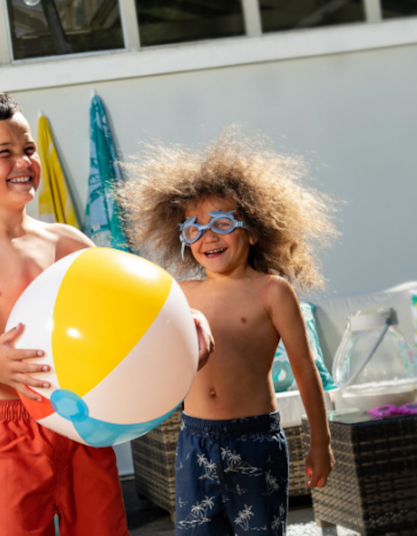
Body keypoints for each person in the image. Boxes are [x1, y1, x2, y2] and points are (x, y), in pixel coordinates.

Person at [0, 93, 212, 535]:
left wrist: (182, 329)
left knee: (104, 528)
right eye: (4, 153)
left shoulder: (68, 243)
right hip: (10, 428)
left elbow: (126, 314)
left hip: (85, 421)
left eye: (27, 149)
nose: (24, 161)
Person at [117, 131, 337, 535]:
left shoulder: (271, 291)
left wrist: (320, 443)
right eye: (193, 229)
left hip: (254, 440)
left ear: (253, 230)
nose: (208, 237)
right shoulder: (179, 293)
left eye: (221, 223)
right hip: (194, 440)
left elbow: (306, 371)